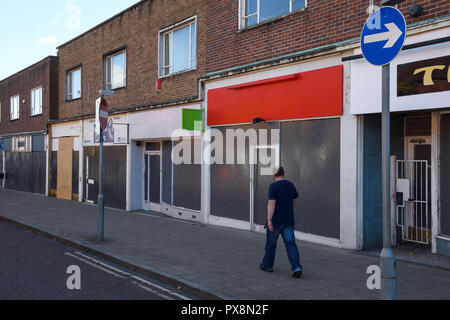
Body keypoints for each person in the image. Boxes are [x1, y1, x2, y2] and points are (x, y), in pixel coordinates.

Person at [259, 167, 303, 278]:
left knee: (271, 243)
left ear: (274, 175)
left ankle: (268, 265)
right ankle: (296, 267)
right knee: (291, 244)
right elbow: (294, 202)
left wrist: (269, 220)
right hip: (288, 220)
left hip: (276, 221)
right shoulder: (290, 185)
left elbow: (271, 203)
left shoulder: (273, 186)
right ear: (283, 174)